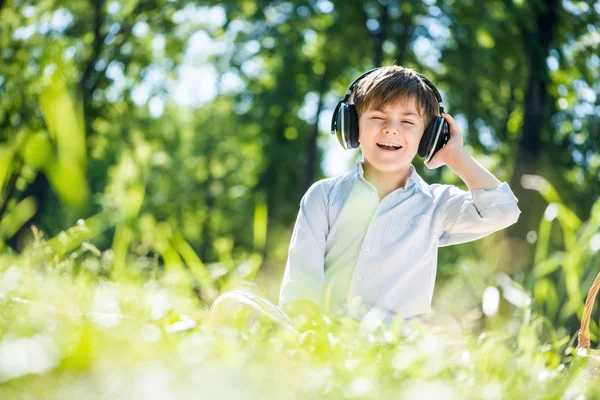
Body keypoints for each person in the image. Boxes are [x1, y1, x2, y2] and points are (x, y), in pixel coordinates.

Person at [211, 65, 521, 344]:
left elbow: (503, 211)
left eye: (407, 122)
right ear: (352, 126)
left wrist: (455, 156)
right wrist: (312, 336)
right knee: (232, 304)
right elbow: (301, 286)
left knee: (445, 329)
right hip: (320, 336)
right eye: (377, 117)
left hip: (393, 344)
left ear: (429, 137)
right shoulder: (324, 196)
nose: (391, 128)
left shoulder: (437, 205)